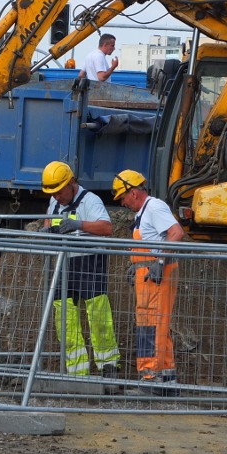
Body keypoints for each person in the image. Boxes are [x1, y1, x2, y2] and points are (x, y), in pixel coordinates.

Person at [41, 161, 121, 385]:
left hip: (89, 261)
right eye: (53, 194)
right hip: (64, 263)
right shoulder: (54, 200)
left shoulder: (90, 201)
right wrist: (47, 229)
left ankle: (108, 366)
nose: (57, 197)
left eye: (59, 192)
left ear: (71, 183)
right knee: (64, 318)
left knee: (98, 315)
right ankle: (77, 373)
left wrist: (78, 225)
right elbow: (49, 219)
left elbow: (106, 228)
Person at [112, 169, 185, 390]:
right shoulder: (143, 212)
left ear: (133, 193)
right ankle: (165, 379)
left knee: (152, 326)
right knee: (153, 325)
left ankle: (150, 379)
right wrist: (136, 266)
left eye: (122, 197)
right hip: (148, 274)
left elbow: (176, 233)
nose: (122, 203)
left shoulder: (153, 207)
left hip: (158, 275)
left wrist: (160, 262)